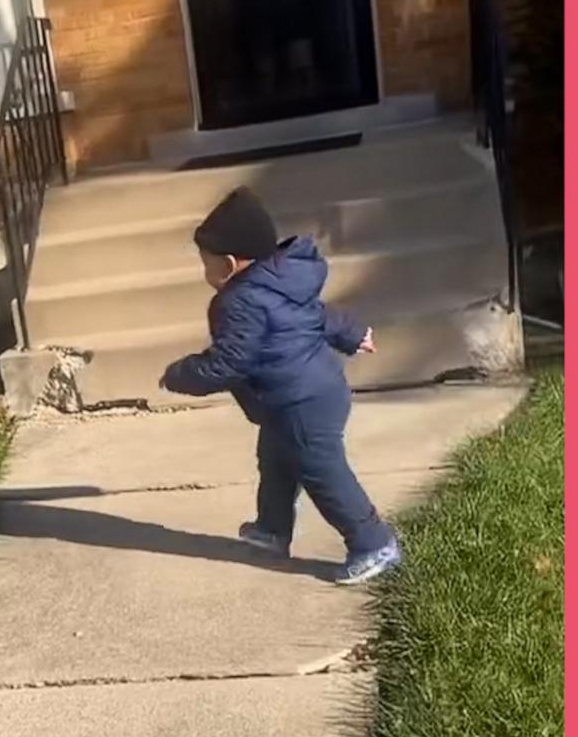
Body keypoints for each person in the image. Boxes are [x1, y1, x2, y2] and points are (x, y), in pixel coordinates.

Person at [159, 186, 403, 584]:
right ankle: (272, 530)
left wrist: (181, 375)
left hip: (301, 402)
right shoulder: (281, 282)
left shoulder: (240, 301)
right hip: (301, 397)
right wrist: (353, 333)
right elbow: (317, 316)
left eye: (205, 264)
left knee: (322, 470)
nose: (204, 273)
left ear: (230, 263)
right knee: (275, 459)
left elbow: (230, 361)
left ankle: (374, 542)